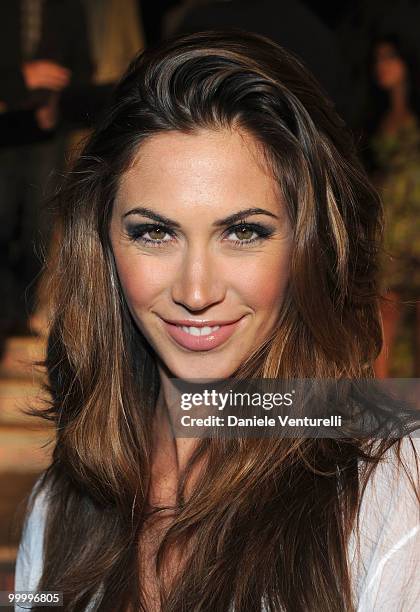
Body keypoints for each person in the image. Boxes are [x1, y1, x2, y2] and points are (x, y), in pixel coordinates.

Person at [14, 31, 419, 611]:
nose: (196, 291)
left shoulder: (392, 490)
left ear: (306, 248)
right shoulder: (59, 507)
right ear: (102, 247)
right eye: (154, 232)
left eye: (243, 232)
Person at [363, 35, 420, 377]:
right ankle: (382, 407)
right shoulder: (373, 117)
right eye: (378, 59)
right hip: (388, 229)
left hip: (414, 224)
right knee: (385, 309)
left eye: (390, 57)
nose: (381, 66)